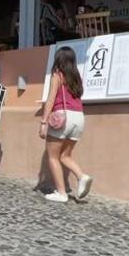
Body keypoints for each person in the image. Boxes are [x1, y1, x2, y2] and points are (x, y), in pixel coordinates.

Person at [39, 46, 93, 203]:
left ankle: (61, 193)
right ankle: (82, 176)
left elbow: (50, 99)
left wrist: (43, 122)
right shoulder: (76, 77)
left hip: (62, 116)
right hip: (79, 117)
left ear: (58, 59)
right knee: (65, 155)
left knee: (53, 156)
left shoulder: (57, 75)